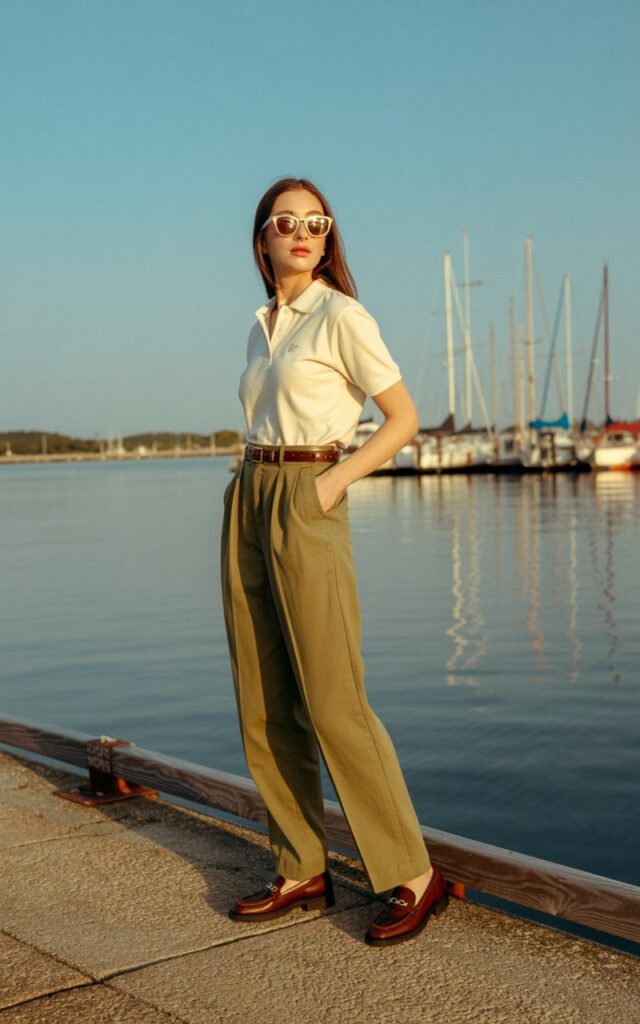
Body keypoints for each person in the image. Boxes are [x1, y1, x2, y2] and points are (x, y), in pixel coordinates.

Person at [220, 176, 448, 947]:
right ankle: (300, 864)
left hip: (308, 494)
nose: (303, 231)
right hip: (251, 490)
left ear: (328, 238)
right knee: (262, 692)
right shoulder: (263, 325)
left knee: (331, 697)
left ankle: (413, 872)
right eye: (287, 222)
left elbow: (404, 418)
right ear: (262, 239)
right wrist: (248, 479)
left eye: (316, 221)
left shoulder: (342, 315)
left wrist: (331, 484)